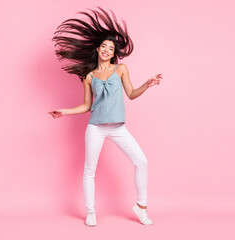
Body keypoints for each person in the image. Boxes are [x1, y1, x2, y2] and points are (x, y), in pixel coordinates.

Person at [48, 7, 162, 227]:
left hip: (118, 128)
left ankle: (141, 207)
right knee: (89, 170)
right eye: (104, 46)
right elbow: (86, 106)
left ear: (114, 52)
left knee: (142, 162)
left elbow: (131, 94)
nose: (107, 50)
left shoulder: (121, 70)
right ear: (98, 49)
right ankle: (91, 212)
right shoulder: (88, 76)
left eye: (111, 48)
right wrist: (64, 112)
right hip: (96, 128)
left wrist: (147, 85)